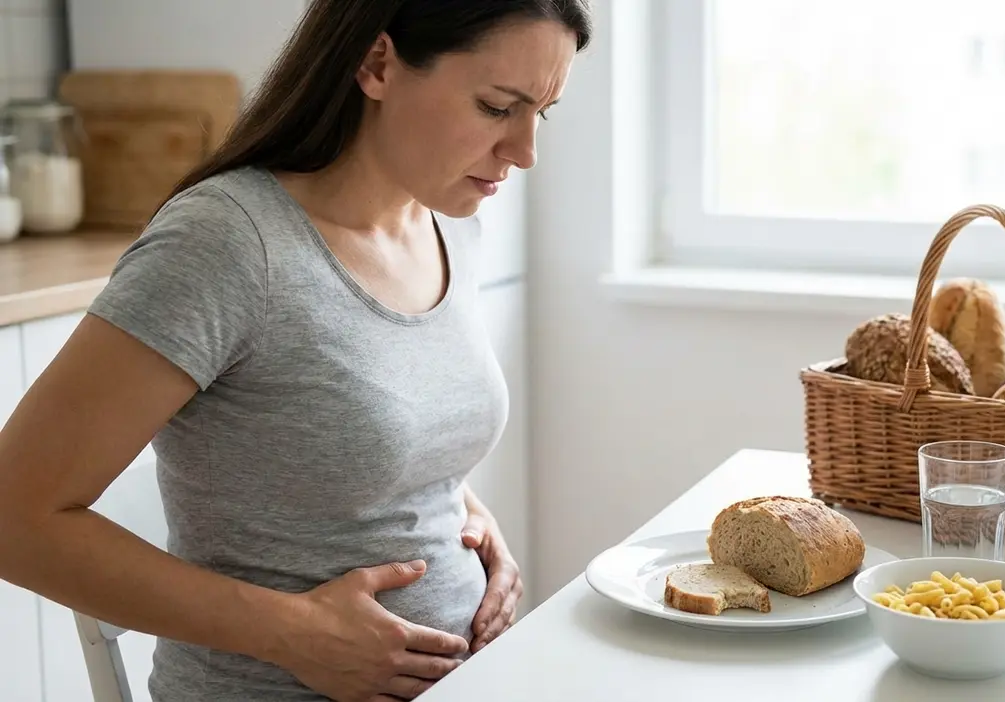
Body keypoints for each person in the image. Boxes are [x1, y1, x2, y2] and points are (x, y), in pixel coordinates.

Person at [0, 0, 591, 699]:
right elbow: (16, 518)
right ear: (376, 65)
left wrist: (463, 514)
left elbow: (347, 425)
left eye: (540, 113)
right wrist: (290, 631)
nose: (524, 152)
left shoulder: (443, 219)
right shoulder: (226, 245)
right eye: (497, 107)